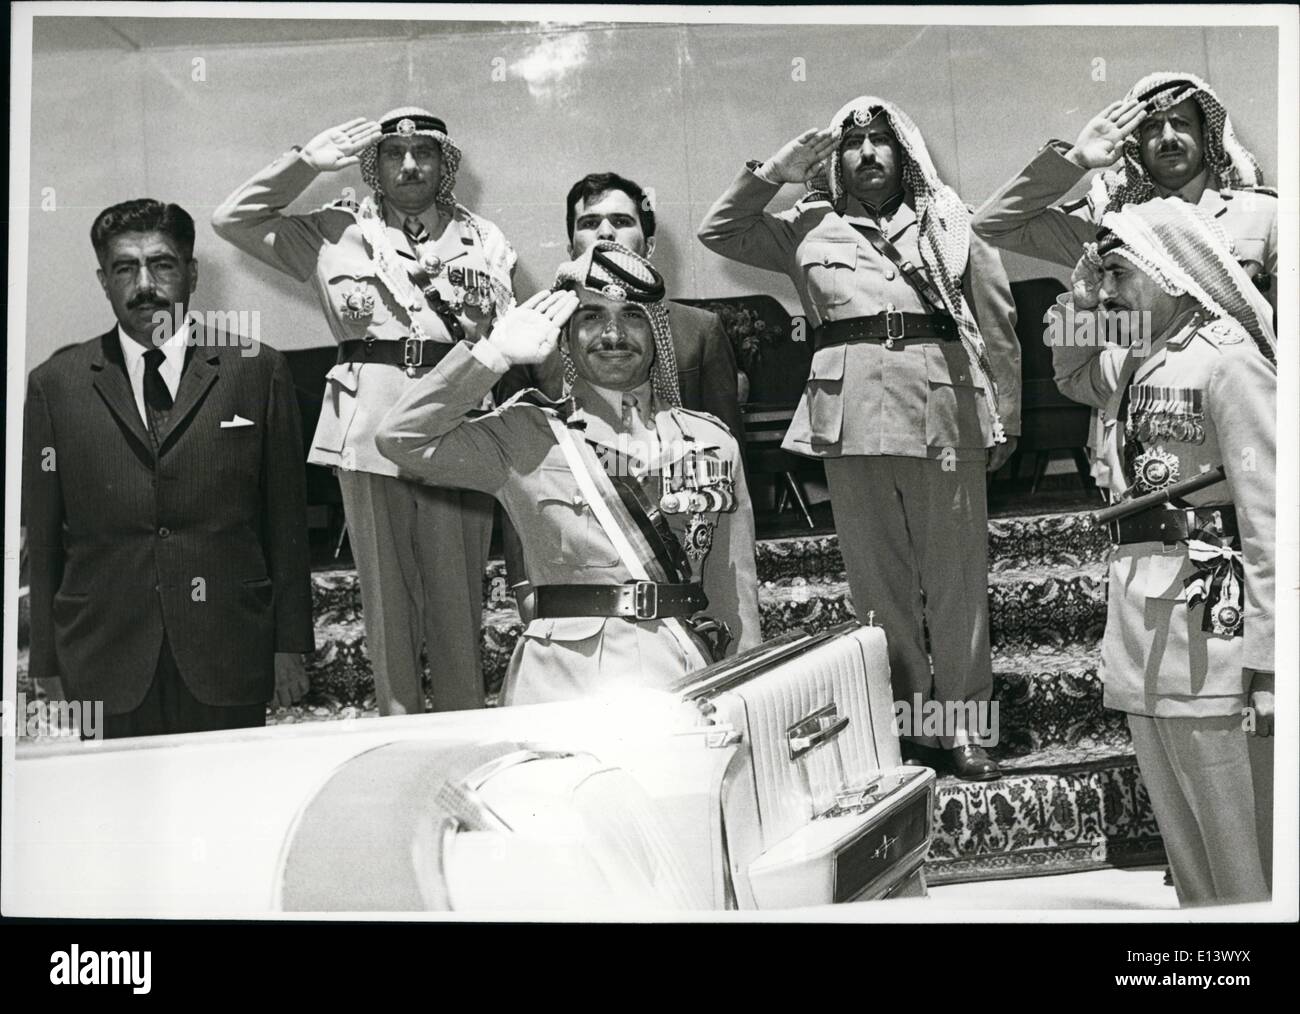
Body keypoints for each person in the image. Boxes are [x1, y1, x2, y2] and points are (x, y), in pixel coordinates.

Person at [698, 97, 1021, 780]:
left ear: (905, 154)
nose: (868, 154)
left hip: (944, 413)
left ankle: (966, 727)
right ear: (835, 161)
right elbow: (719, 231)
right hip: (851, 422)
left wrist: (1007, 415)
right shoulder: (804, 226)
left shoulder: (950, 222)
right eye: (853, 144)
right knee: (879, 587)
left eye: (882, 141)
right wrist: (773, 174)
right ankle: (908, 724)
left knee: (956, 583)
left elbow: (996, 325)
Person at [213, 108, 517, 715]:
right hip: (370, 431)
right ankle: (397, 728)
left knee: (458, 598)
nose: (409, 165)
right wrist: (303, 164)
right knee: (386, 603)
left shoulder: (483, 239)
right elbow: (232, 219)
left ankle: (462, 730)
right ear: (372, 166)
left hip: (455, 424)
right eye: (392, 154)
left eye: (424, 153)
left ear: (445, 164)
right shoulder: (333, 231)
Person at [376, 242, 761, 704]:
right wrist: (491, 356)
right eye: (592, 316)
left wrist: (745, 695)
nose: (613, 334)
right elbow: (401, 438)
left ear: (658, 331)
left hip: (680, 672)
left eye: (632, 316)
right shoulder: (525, 433)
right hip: (561, 683)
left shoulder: (710, 441)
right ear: (566, 334)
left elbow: (732, 593)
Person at [1052, 197, 1274, 905]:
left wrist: (1270, 662)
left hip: (1215, 641)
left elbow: (1273, 519)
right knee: (1190, 856)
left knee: (1242, 858)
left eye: (1119, 273)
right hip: (1145, 635)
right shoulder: (1131, 361)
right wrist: (1082, 289)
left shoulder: (1228, 364)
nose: (1108, 291)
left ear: (1168, 272)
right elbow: (1067, 369)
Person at [23, 199, 314, 739]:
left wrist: (289, 646)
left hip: (228, 651)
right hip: (103, 659)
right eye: (124, 268)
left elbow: (287, 525)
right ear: (103, 281)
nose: (144, 285)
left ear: (192, 273)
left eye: (162, 264)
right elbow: (42, 541)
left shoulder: (257, 370)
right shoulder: (54, 386)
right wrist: (45, 662)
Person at [503, 171, 746, 623]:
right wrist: (520, 582)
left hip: (676, 564)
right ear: (569, 244)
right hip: (575, 585)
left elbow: (726, 474)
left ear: (649, 244)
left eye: (621, 220)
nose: (605, 232)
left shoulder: (699, 331)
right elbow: (515, 477)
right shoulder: (535, 339)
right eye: (589, 223)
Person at [973, 72, 1277, 312]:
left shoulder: (1264, 215)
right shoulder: (1111, 223)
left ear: (1206, 135)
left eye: (1181, 123)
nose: (1168, 137)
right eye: (1153, 128)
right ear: (1136, 146)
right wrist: (1077, 160)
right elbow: (991, 224)